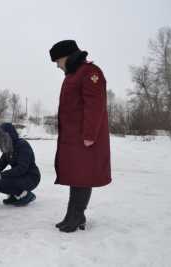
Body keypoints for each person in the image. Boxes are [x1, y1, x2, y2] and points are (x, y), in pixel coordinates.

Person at [49, 40, 112, 232]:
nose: (57, 66)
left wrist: (89, 135)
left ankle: (76, 217)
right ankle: (73, 215)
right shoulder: (73, 74)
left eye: (57, 61)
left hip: (84, 138)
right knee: (76, 176)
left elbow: (95, 105)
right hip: (73, 138)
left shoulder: (89, 72)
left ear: (65, 56)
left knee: (82, 176)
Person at [0, 123, 40, 206]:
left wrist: (1, 175)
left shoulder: (22, 145)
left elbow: (22, 168)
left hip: (31, 177)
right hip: (18, 177)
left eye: (0, 136)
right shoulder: (7, 149)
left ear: (7, 136)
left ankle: (26, 195)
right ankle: (15, 195)